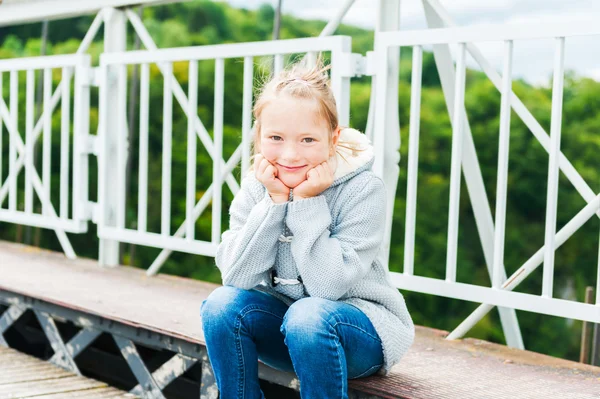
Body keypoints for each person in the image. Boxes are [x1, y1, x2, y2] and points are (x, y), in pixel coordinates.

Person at [200, 56, 414, 399]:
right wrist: (274, 203)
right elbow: (236, 277)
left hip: (357, 332)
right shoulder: (258, 186)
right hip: (287, 329)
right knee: (220, 305)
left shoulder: (363, 189)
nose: (289, 154)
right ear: (258, 136)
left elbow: (327, 288)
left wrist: (307, 204)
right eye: (275, 137)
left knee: (308, 315)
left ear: (333, 139)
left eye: (308, 140)